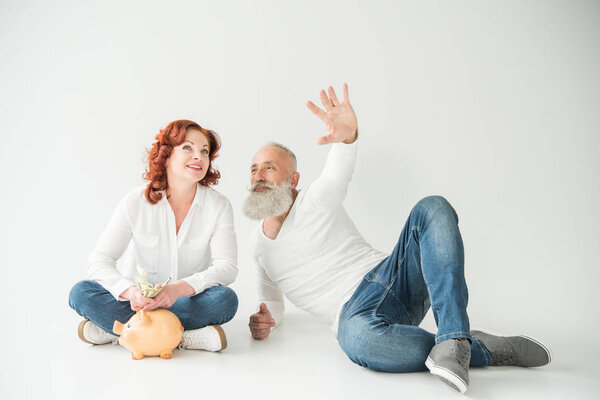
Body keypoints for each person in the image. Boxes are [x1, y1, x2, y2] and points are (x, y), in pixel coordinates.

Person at [244, 85, 551, 393]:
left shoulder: (314, 199)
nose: (258, 175)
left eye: (269, 168)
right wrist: (265, 319)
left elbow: (338, 174)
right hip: (353, 318)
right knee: (362, 343)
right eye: (254, 169)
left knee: (433, 207)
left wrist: (347, 138)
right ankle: (470, 345)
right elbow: (272, 301)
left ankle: (455, 336)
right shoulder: (259, 249)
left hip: (391, 277)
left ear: (293, 180)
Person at [69, 119, 238, 352]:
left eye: (205, 151)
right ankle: (182, 337)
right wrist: (131, 292)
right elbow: (100, 261)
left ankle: (122, 333)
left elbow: (227, 267)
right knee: (81, 293)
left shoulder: (219, 205)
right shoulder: (135, 201)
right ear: (166, 155)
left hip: (184, 301)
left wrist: (177, 289)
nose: (198, 156)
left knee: (225, 300)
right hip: (137, 306)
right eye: (187, 147)